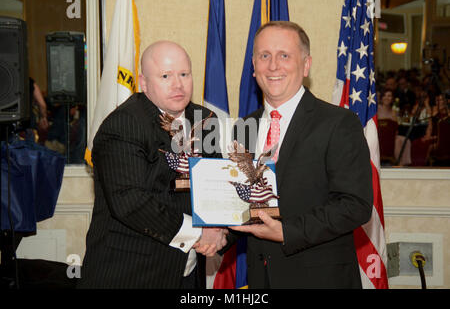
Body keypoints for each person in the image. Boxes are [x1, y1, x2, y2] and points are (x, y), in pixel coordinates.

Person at [227, 21, 373, 288]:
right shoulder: (242, 128)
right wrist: (217, 235)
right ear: (254, 65)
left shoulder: (339, 123)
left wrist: (287, 232)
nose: (273, 66)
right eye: (264, 56)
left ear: (306, 65)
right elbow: (241, 204)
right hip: (261, 279)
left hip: (320, 279)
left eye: (284, 55)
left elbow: (355, 205)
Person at [77, 41, 227, 289]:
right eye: (165, 76)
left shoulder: (205, 119)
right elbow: (129, 201)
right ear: (143, 82)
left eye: (184, 74)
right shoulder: (124, 124)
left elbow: (218, 187)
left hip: (187, 273)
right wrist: (200, 233)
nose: (177, 84)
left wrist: (221, 231)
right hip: (130, 274)